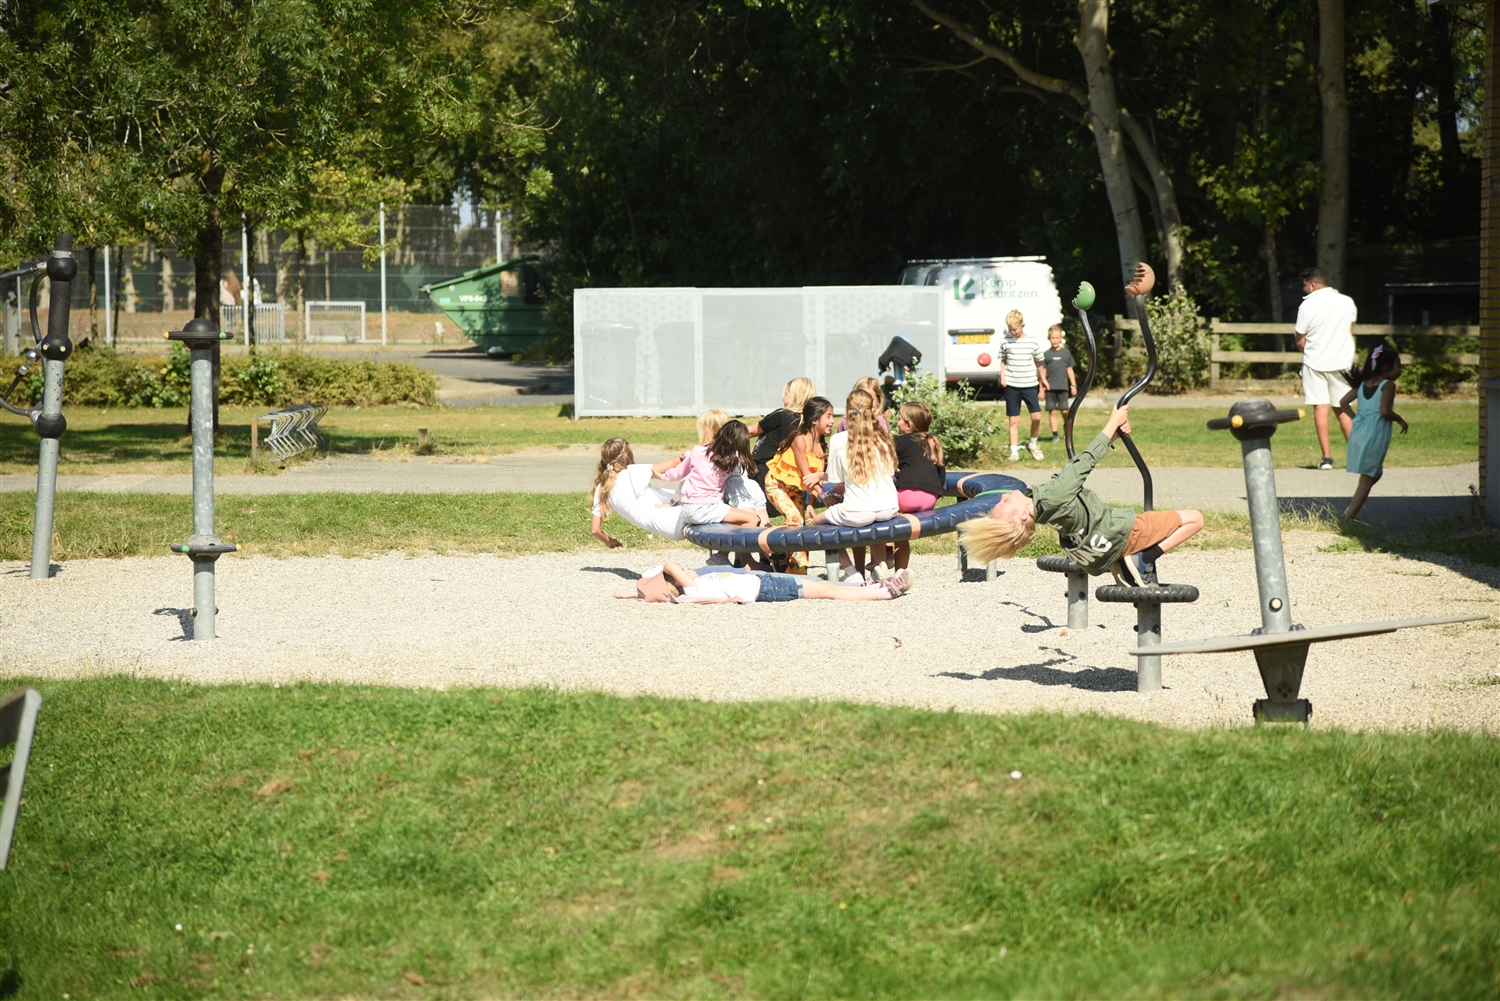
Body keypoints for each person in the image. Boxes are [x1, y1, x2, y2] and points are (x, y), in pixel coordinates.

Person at [957, 404, 1204, 586]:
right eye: (1005, 503)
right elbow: (1084, 462)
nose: (1003, 497)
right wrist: (1112, 421)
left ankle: (1124, 561)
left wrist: (1114, 434)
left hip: (1102, 550)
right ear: (1023, 513)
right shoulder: (1053, 497)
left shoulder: (1043, 512)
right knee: (1195, 519)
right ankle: (1143, 558)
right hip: (1125, 531)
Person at [1294, 267, 1357, 470]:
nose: (1304, 290)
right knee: (1343, 408)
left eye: (1305, 285)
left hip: (1316, 362)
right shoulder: (1347, 302)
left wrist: (1310, 348)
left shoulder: (1307, 305)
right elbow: (1350, 332)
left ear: (1312, 284)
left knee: (1321, 407)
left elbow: (1300, 340)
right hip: (1342, 362)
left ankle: (1327, 458)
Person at [763, 397, 835, 573]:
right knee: (795, 519)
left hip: (795, 490)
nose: (832, 421)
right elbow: (806, 476)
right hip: (776, 485)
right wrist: (826, 497)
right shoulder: (799, 439)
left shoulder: (823, 448)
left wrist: (811, 503)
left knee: (801, 525)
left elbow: (816, 480)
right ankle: (780, 551)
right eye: (828, 416)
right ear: (814, 419)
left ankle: (798, 571)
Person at [1338, 343, 1408, 521]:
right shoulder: (1388, 385)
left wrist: (1356, 417)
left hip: (1359, 431)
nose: (1400, 369)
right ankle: (1348, 517)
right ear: (1386, 367)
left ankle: (1349, 512)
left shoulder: (1363, 384)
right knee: (1368, 479)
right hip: (1374, 434)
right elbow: (1384, 411)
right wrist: (1399, 419)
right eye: (1397, 365)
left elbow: (1343, 402)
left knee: (1373, 474)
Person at [616, 561, 910, 603]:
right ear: (676, 580)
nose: (689, 570)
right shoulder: (693, 589)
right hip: (769, 589)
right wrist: (662, 575)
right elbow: (668, 566)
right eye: (682, 571)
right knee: (828, 591)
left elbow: (658, 584)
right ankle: (883, 593)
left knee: (827, 588)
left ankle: (873, 587)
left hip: (763, 582)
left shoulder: (693, 585)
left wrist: (633, 593)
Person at [658, 419, 767, 528]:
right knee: (753, 519)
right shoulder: (731, 462)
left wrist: (662, 476)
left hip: (688, 509)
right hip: (708, 508)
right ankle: (729, 541)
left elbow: (677, 474)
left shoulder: (697, 451)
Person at [589, 438, 688, 547]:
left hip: (667, 528)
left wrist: (609, 541)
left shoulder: (602, 487)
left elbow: (595, 530)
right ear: (628, 455)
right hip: (677, 517)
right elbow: (676, 463)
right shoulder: (633, 472)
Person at [891, 401, 945, 572]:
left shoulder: (899, 441)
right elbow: (941, 476)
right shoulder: (934, 442)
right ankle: (901, 572)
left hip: (907, 497)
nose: (897, 421)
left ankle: (885, 555)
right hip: (930, 498)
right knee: (903, 531)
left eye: (899, 419)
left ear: (908, 425)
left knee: (884, 517)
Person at [748, 377, 816, 492]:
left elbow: (750, 431)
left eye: (786, 394)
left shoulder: (781, 415)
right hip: (784, 474)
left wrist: (725, 434)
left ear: (795, 396)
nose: (783, 399)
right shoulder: (807, 423)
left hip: (761, 468)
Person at [998, 309, 1048, 462]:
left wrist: (1043, 381)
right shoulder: (1005, 341)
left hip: (1030, 384)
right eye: (1010, 329)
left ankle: (1032, 443)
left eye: (1015, 329)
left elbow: (1039, 363)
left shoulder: (1032, 341)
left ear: (1022, 325)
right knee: (1014, 420)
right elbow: (1003, 360)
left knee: (1036, 417)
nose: (1013, 332)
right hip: (1012, 384)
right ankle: (1014, 451)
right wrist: (1003, 376)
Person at [1041, 324, 1077, 444]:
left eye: (1057, 338)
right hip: (1050, 387)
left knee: (1064, 411)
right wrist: (1041, 389)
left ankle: (1066, 427)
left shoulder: (1066, 353)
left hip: (1062, 387)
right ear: (1049, 338)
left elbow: (1070, 370)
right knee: (1052, 411)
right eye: (1052, 338)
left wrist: (1073, 385)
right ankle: (1055, 434)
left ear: (1061, 338)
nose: (1055, 340)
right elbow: (1042, 373)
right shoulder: (1046, 355)